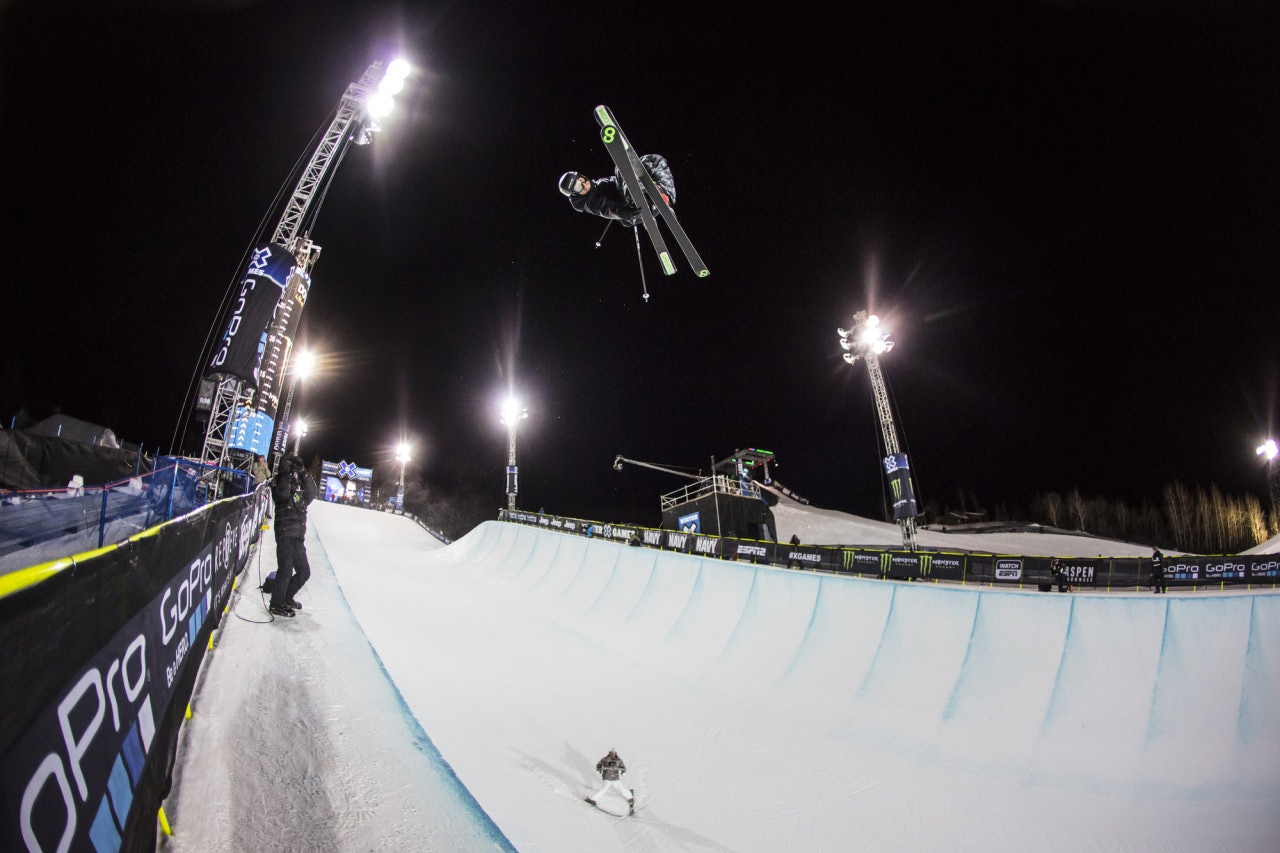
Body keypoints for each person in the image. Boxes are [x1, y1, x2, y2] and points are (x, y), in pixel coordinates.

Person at [559, 154, 676, 226]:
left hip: (653, 202)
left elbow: (620, 180)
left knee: (654, 161)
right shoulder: (590, 202)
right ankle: (645, 198)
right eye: (578, 187)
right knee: (621, 170)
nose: (584, 185)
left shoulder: (599, 184)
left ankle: (664, 195)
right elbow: (606, 209)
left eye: (581, 179)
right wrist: (624, 212)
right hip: (632, 211)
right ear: (575, 193)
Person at [269, 454, 317, 618]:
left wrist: (304, 473)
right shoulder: (279, 482)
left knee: (304, 572)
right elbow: (281, 495)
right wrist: (283, 472)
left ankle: (287, 597)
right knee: (286, 570)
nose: (293, 475)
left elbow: (311, 493)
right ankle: (276, 603)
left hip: (298, 535)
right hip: (284, 533)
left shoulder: (299, 490)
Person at [587, 749, 634, 815]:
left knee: (621, 790)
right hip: (607, 778)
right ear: (609, 753)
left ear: (616, 753)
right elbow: (599, 765)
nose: (613, 754)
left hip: (615, 778)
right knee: (603, 789)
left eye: (614, 753)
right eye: (611, 752)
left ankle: (630, 797)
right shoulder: (605, 759)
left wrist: (623, 772)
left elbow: (623, 767)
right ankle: (593, 799)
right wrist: (598, 770)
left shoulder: (618, 760)